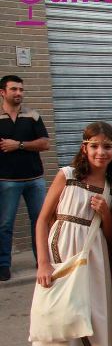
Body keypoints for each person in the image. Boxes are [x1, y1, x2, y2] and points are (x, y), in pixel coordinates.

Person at [28, 122, 112, 346]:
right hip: (62, 257)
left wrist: (106, 214)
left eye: (107, 146)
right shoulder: (67, 175)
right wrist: (43, 263)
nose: (101, 152)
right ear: (85, 147)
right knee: (61, 329)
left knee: (93, 326)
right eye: (95, 145)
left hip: (94, 259)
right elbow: (43, 220)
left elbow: (110, 238)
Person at [0, 75, 50, 282]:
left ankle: (42, 260)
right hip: (6, 180)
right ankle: (4, 265)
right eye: (14, 89)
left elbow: (45, 143)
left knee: (39, 220)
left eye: (21, 89)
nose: (19, 93)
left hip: (34, 179)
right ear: (3, 92)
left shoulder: (32, 115)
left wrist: (18, 145)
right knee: (5, 224)